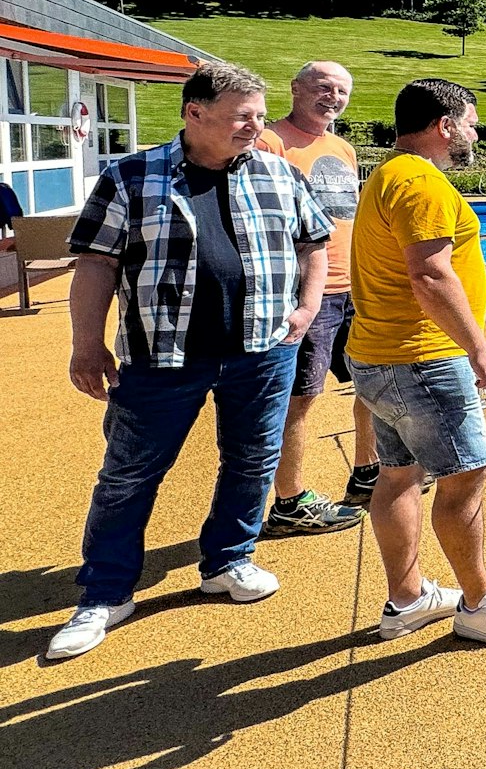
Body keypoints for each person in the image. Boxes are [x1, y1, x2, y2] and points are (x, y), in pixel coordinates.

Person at [48, 62, 331, 661]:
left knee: (252, 462)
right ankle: (104, 593)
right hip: (160, 356)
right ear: (194, 113)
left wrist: (305, 310)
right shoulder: (132, 175)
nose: (256, 127)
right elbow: (95, 263)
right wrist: (86, 342)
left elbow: (314, 243)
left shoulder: (277, 172)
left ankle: (228, 560)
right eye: (241, 117)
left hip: (261, 352)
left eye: (259, 115)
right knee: (129, 475)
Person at [347, 78, 486, 646]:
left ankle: (407, 600)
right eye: (471, 122)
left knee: (398, 475)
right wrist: (481, 346)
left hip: (380, 353)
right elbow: (430, 275)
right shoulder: (422, 183)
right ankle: (481, 605)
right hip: (422, 359)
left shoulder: (388, 174)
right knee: (465, 476)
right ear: (445, 124)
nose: (475, 132)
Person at [258, 62, 369, 534]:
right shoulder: (271, 142)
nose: (334, 97)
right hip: (305, 290)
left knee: (372, 381)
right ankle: (289, 501)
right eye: (324, 87)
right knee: (301, 397)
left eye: (342, 91)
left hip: (353, 287)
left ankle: (368, 471)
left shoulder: (342, 147)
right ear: (296, 89)